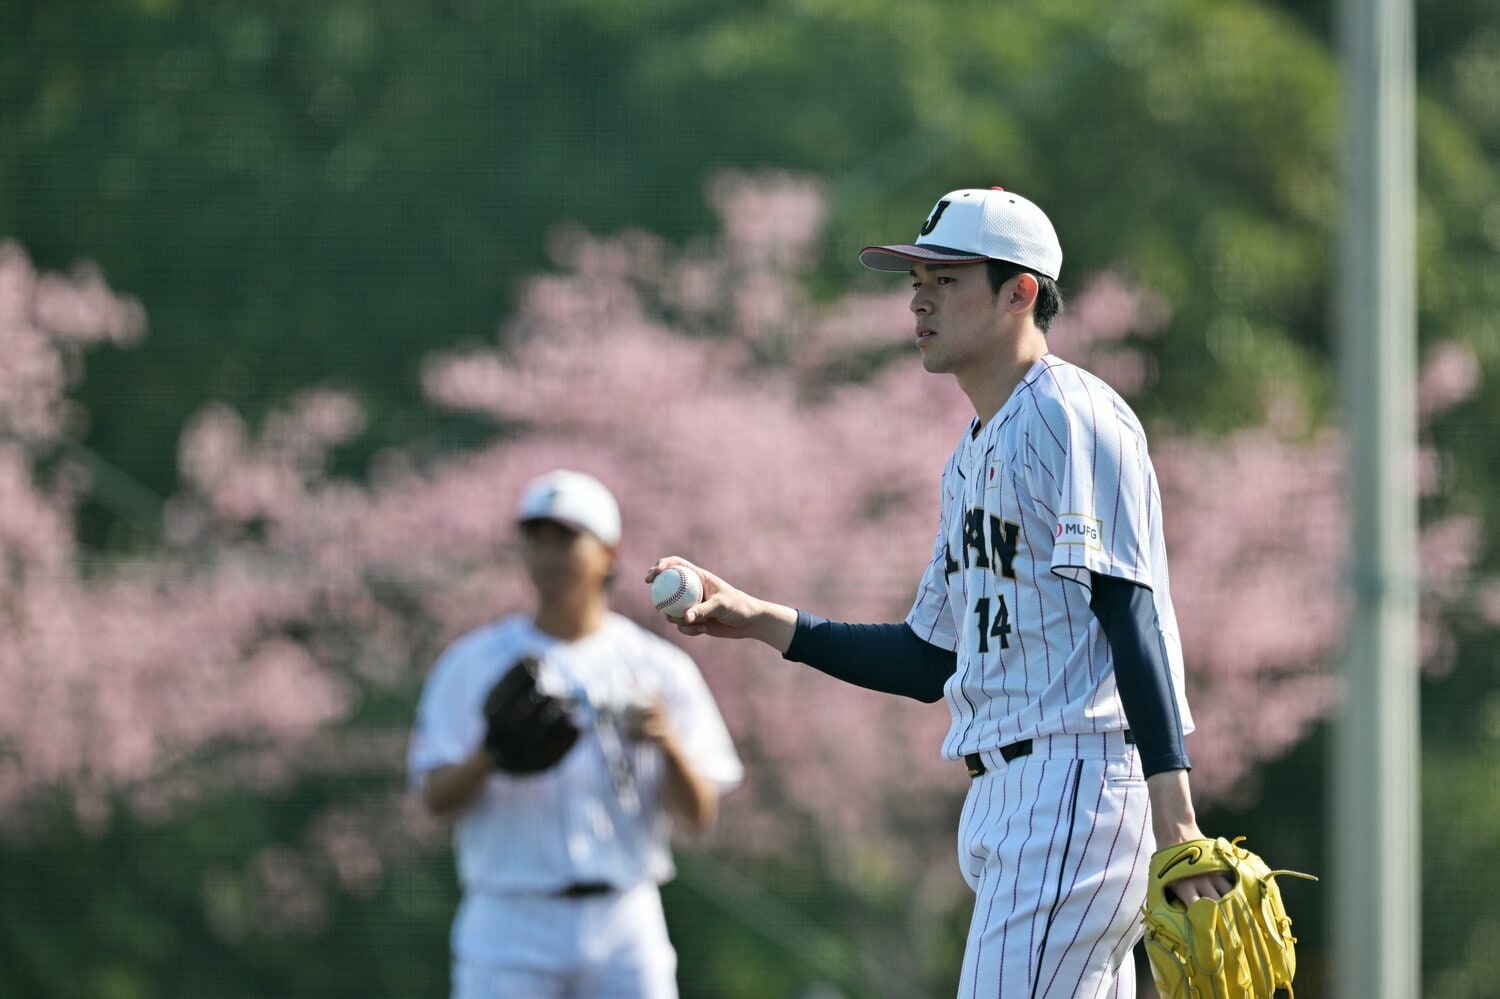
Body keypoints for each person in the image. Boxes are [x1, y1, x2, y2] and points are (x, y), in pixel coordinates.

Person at [646, 187, 1229, 997]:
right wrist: (756, 619)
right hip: (1012, 794)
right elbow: (930, 659)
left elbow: (1130, 615)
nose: (919, 296)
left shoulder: (1071, 413)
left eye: (948, 278)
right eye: (916, 276)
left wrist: (1179, 818)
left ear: (1020, 291)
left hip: (1075, 782)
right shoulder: (971, 454)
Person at [411, 469, 743, 999]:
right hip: (508, 916)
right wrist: (492, 754)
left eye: (565, 538)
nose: (548, 554)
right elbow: (434, 798)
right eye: (536, 538)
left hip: (625, 917)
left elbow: (700, 816)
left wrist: (667, 742)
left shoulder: (657, 666)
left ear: (609, 553)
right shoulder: (472, 663)